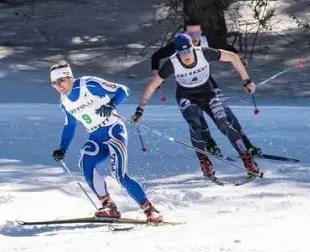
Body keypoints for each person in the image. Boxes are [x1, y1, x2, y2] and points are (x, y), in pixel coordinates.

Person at [133, 34, 261, 180]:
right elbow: (152, 86)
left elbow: (232, 56)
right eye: (181, 52)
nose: (185, 55)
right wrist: (140, 109)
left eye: (187, 51)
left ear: (192, 47)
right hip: (186, 96)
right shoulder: (172, 63)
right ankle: (204, 162)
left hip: (207, 93)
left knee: (223, 124)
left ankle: (247, 160)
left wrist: (246, 80)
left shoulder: (204, 53)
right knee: (196, 125)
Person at [50, 61, 164, 223]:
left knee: (118, 174)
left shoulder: (88, 84)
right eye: (54, 83)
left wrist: (111, 104)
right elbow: (70, 125)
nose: (58, 85)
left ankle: (150, 210)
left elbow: (123, 90)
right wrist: (62, 148)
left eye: (61, 80)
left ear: (70, 77)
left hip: (113, 131)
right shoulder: (64, 102)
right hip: (96, 137)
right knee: (86, 162)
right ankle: (108, 205)